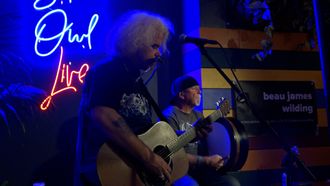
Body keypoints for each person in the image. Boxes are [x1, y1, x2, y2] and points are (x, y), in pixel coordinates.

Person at [78, 10, 211, 185]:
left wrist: (188, 135)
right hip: (115, 166)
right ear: (135, 41)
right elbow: (104, 115)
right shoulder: (108, 70)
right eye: (154, 46)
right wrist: (148, 157)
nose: (159, 54)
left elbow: (145, 134)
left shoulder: (137, 80)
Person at [162, 75, 240, 186]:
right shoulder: (170, 116)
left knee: (231, 183)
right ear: (181, 94)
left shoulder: (198, 115)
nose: (199, 91)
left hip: (201, 169)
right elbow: (173, 155)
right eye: (194, 88)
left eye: (199, 88)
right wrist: (206, 161)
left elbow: (205, 144)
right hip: (180, 171)